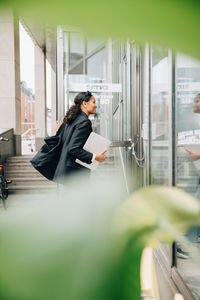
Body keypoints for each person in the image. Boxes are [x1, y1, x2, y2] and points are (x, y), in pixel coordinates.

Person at [53, 91, 107, 184]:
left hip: (65, 174)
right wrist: (95, 157)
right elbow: (73, 149)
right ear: (85, 104)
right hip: (73, 177)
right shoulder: (84, 122)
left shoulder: (73, 120)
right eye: (93, 102)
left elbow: (66, 143)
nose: (96, 105)